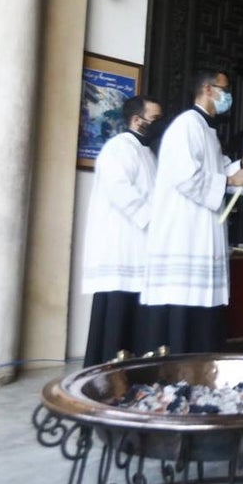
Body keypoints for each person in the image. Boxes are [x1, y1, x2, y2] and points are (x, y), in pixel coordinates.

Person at [141, 69, 243, 354]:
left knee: (204, 311)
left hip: (202, 230)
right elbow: (186, 177)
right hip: (185, 233)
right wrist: (230, 181)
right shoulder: (186, 126)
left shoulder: (206, 130)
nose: (229, 96)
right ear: (208, 89)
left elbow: (220, 170)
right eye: (225, 89)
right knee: (185, 307)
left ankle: (204, 361)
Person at [80, 94, 163, 366]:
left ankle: (135, 368)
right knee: (117, 309)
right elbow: (120, 189)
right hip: (121, 245)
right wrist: (152, 219)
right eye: (155, 118)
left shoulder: (148, 153)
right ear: (137, 120)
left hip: (142, 245)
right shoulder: (117, 148)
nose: (159, 124)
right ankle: (106, 369)